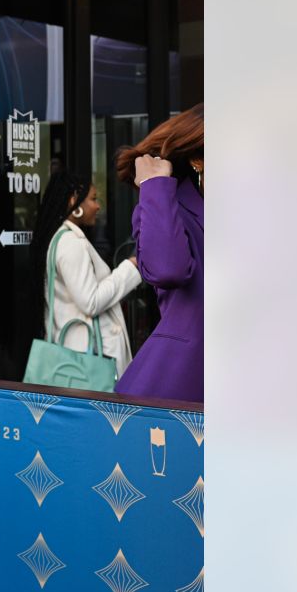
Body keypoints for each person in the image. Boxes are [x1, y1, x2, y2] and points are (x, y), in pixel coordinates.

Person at [113, 103, 204, 401]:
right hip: (186, 391)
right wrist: (154, 185)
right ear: (197, 160)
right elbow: (167, 269)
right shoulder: (168, 208)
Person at [31, 172, 141, 379]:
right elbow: (90, 301)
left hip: (75, 355)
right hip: (88, 360)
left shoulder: (60, 239)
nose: (98, 206)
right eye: (93, 198)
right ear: (74, 200)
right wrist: (130, 267)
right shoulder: (71, 243)